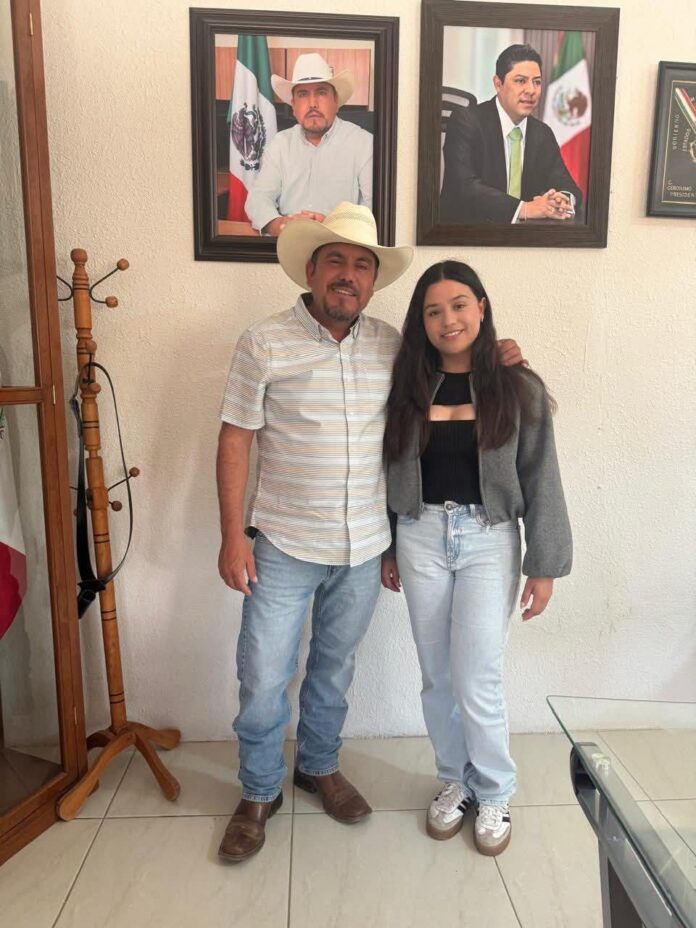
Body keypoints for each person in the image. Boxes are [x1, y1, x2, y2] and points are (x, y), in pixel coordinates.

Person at [216, 206, 523, 863]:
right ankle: (259, 791)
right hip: (283, 544)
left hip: (364, 546)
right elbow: (235, 438)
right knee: (264, 675)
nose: (348, 275)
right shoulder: (263, 342)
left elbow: (455, 365)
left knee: (333, 671)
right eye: (335, 261)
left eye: (362, 265)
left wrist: (501, 357)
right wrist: (231, 536)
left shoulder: (393, 348)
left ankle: (318, 766)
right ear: (310, 269)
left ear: (374, 280)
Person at [381, 260, 572, 856]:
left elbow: (542, 476)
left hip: (489, 539)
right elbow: (384, 471)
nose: (448, 320)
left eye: (459, 305)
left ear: (482, 308)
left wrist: (543, 564)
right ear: (421, 321)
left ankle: (494, 790)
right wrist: (389, 544)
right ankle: (455, 780)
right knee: (437, 674)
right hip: (418, 535)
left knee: (477, 674)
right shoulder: (405, 387)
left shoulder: (518, 387)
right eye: (433, 311)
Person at [440, 44, 583, 224]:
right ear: (498, 84)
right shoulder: (467, 121)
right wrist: (524, 208)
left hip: (523, 236)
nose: (531, 90)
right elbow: (464, 187)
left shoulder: (542, 132)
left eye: (537, 82)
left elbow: (566, 183)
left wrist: (562, 199)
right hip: (468, 232)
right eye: (521, 81)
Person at [245, 53, 373, 235]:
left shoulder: (364, 144)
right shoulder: (280, 144)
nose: (312, 103)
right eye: (303, 94)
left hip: (341, 242)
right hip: (288, 240)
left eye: (321, 93)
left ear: (336, 101)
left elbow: (373, 208)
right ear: (293, 106)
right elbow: (258, 199)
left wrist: (332, 225)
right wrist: (282, 225)